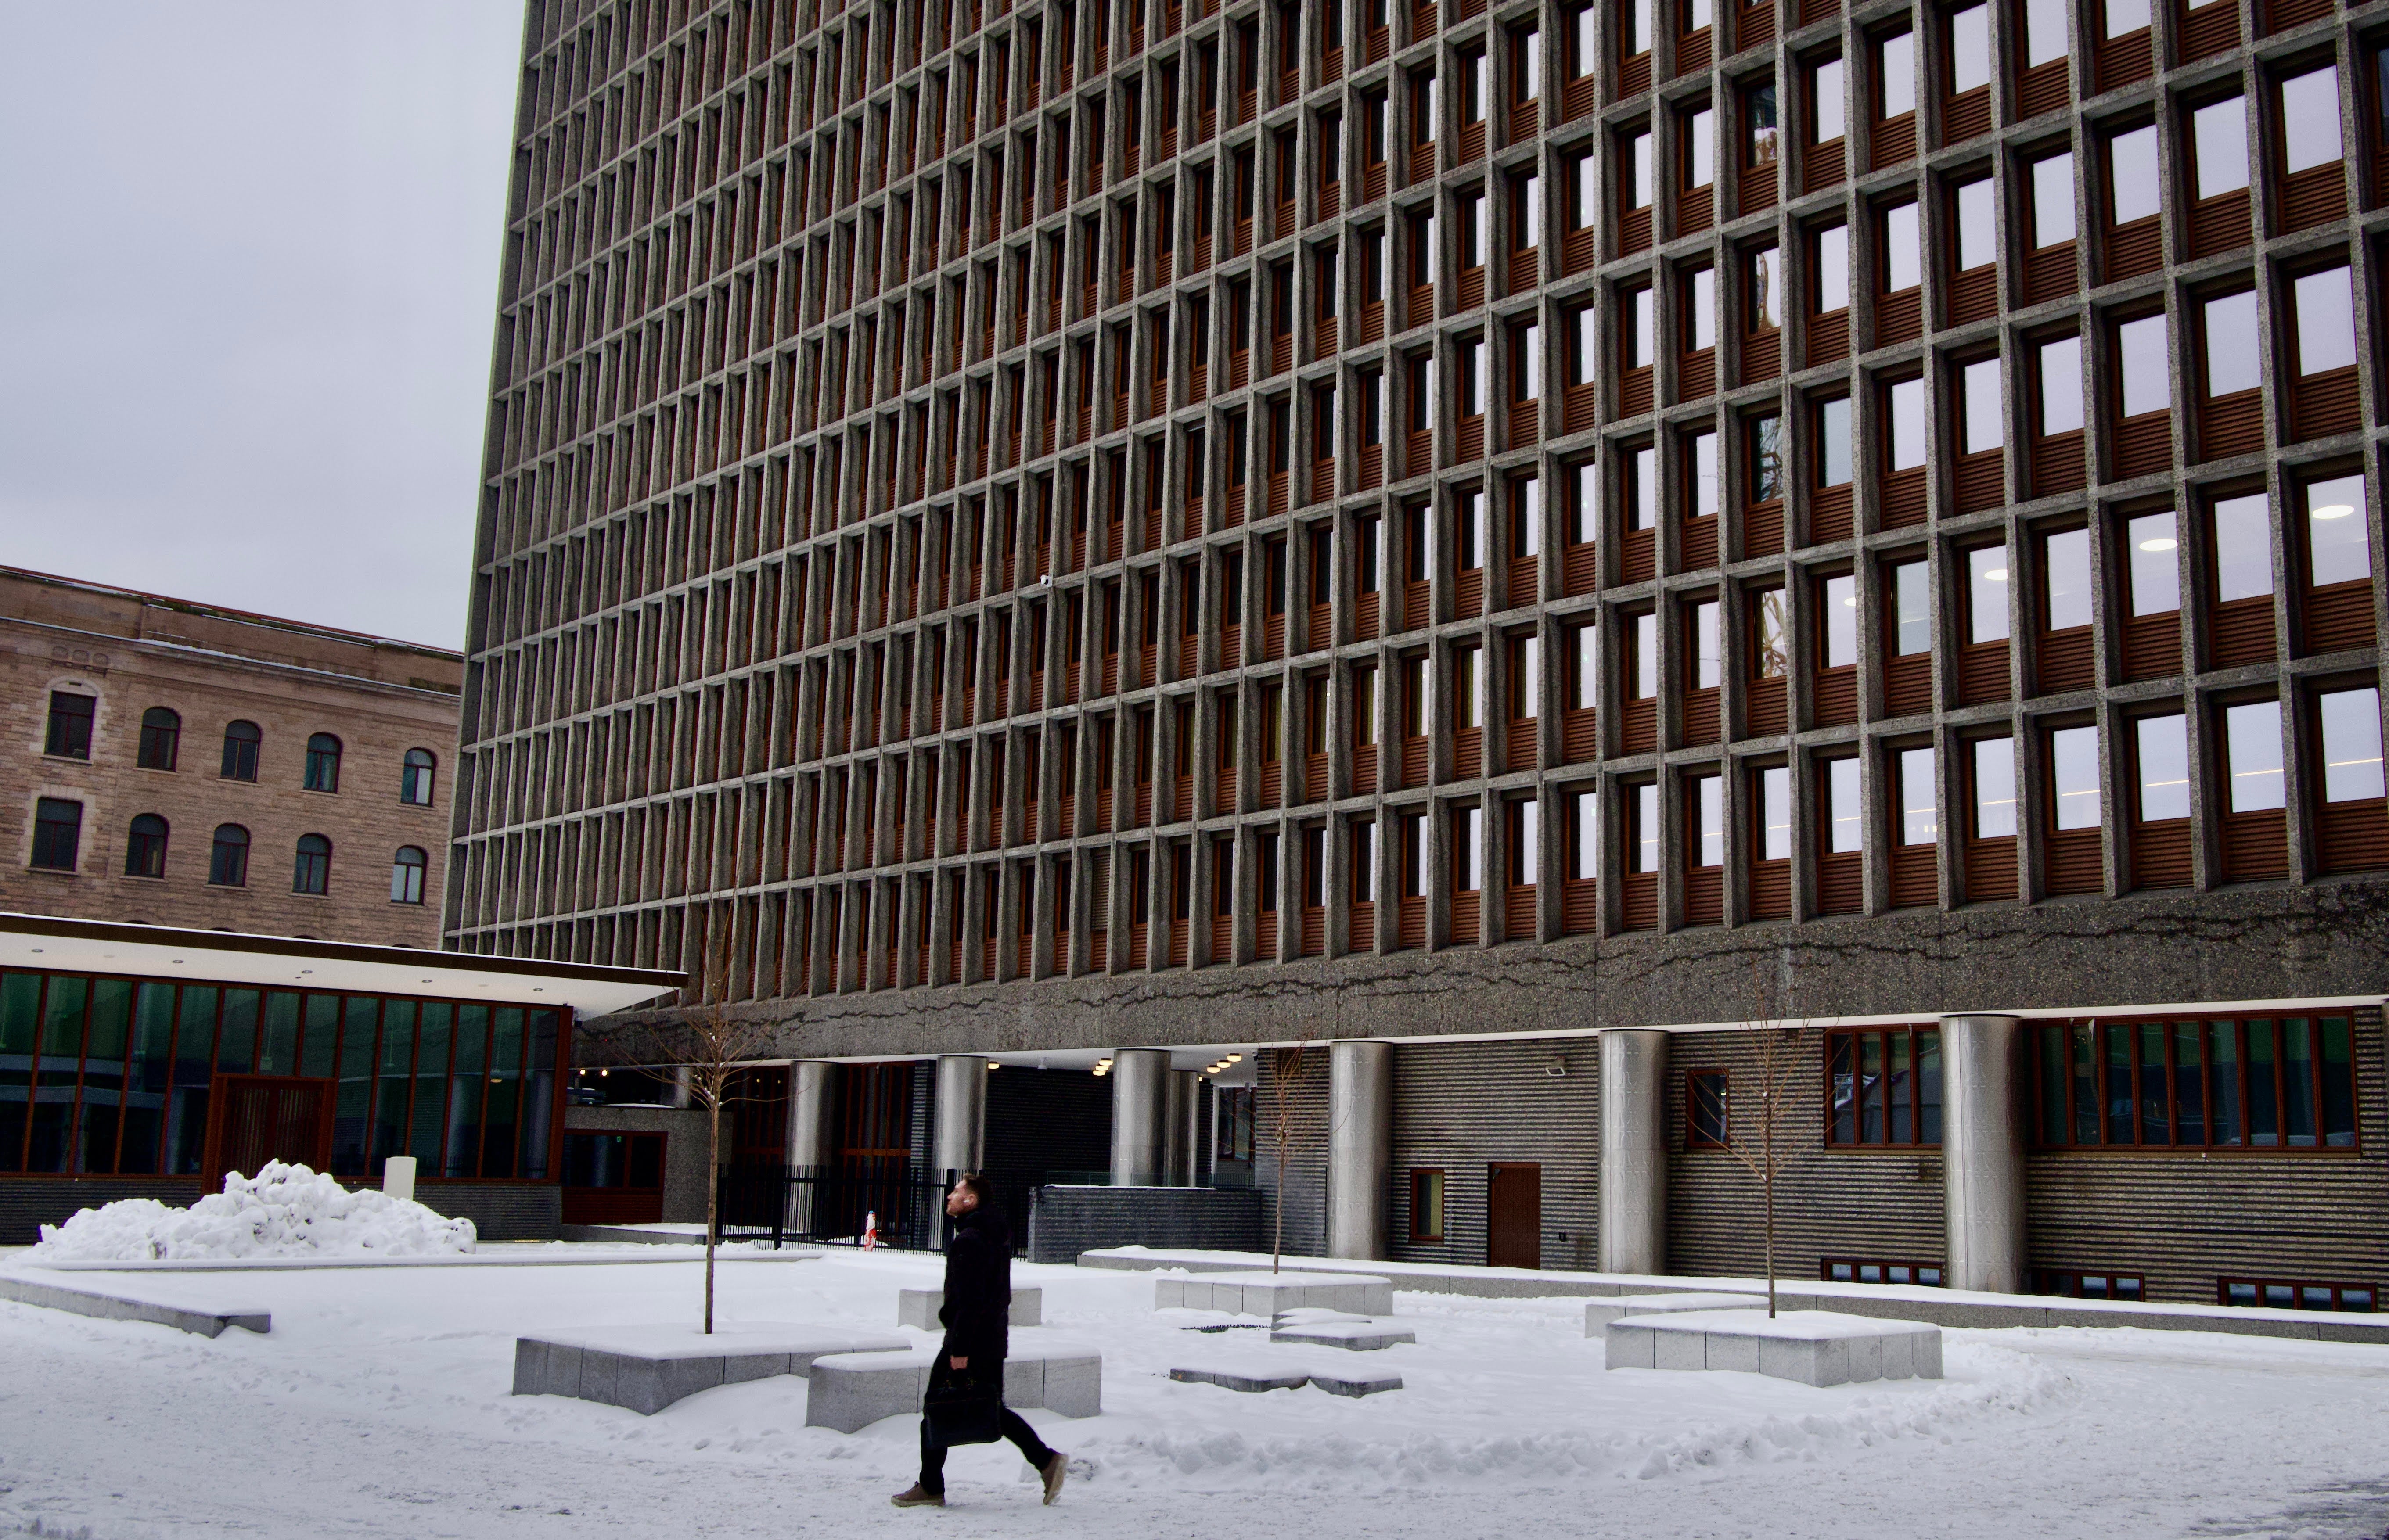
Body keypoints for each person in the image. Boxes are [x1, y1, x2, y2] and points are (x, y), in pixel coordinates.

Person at [891, 1173, 1069, 1509]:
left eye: (956, 1192)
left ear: (970, 1201)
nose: (949, 1197)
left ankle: (931, 1487)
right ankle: (1046, 1462)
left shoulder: (971, 1240)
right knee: (990, 1408)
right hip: (989, 1338)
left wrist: (959, 1350)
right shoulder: (994, 1234)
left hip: (968, 1341)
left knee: (935, 1407)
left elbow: (971, 1300)